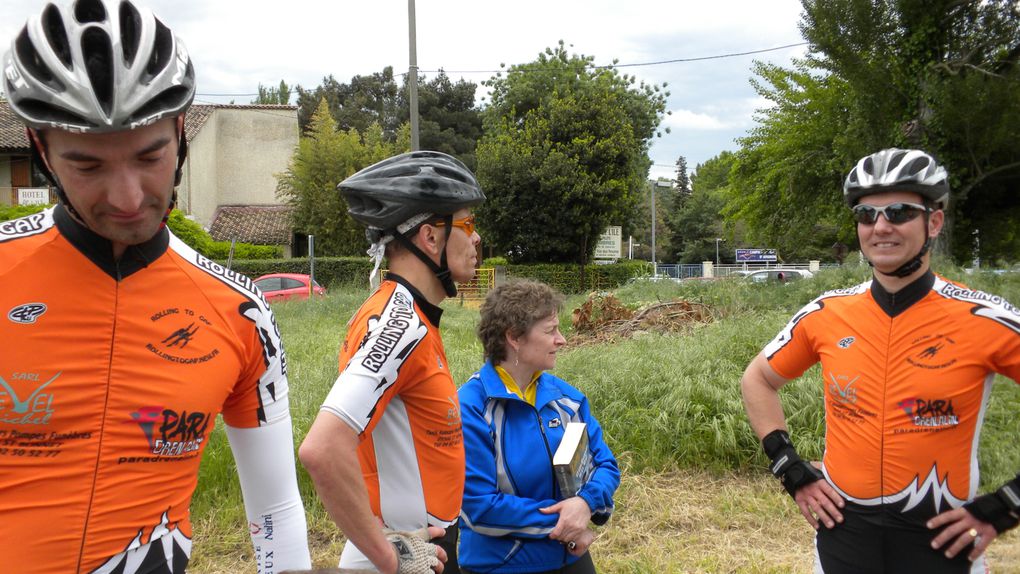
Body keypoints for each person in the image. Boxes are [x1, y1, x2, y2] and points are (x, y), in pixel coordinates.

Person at [0, 1, 311, 572]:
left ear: (179, 133)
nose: (127, 197)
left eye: (150, 156)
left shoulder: (240, 311)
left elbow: (275, 508)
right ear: (40, 151)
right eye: (88, 167)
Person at [740, 148, 1020, 573]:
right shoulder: (827, 313)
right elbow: (758, 379)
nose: (880, 227)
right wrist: (789, 467)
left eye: (899, 212)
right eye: (866, 215)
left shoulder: (982, 316)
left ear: (935, 221)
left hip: (943, 543)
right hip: (843, 536)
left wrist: (1006, 506)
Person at [299, 150, 485, 573]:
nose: (476, 239)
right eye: (468, 224)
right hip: (409, 553)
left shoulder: (408, 314)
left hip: (422, 546)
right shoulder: (399, 324)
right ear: (430, 238)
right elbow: (322, 449)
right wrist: (389, 557)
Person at [458, 280, 620, 574]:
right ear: (514, 338)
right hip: (500, 566)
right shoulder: (470, 408)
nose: (562, 340)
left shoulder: (568, 399)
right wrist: (566, 523)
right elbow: (479, 508)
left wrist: (585, 504)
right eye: (550, 331)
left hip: (570, 558)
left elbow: (606, 465)